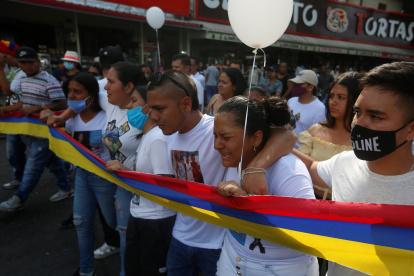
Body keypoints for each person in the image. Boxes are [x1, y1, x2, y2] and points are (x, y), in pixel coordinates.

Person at [250, 61, 414, 276]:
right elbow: (310, 166)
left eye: (375, 116)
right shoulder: (344, 163)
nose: (359, 123)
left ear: (411, 129)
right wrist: (266, 155)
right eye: (357, 112)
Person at [214, 96, 318, 275]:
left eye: (225, 137)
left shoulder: (289, 171)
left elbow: (312, 234)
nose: (216, 145)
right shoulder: (233, 159)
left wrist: (248, 204)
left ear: (256, 138)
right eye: (215, 136)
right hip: (231, 259)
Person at [146, 70, 227, 276]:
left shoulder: (217, 131)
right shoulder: (164, 135)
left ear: (185, 104)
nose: (154, 117)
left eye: (160, 109)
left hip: (217, 244)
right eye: (151, 109)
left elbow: (282, 137)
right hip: (180, 238)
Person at [107, 88, 176, 276]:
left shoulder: (158, 140)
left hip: (155, 221)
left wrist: (126, 172)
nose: (129, 106)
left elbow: (164, 184)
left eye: (134, 101)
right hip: (141, 214)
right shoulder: (147, 137)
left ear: (148, 108)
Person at [54, 72, 116, 276]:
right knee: (81, 223)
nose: (72, 96)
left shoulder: (107, 118)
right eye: (69, 91)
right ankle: (86, 270)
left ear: (91, 95)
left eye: (78, 92)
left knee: (115, 224)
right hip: (81, 177)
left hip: (105, 180)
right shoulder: (72, 121)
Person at [0, 47, 71, 211]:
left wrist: (39, 107)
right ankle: (66, 188)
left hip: (44, 132)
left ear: (38, 62)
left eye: (30, 62)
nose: (27, 66)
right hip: (29, 131)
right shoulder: (22, 79)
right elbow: (23, 103)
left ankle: (19, 198)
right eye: (22, 63)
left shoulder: (49, 80)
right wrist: (6, 110)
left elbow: (62, 103)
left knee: (33, 165)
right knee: (52, 162)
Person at [295, 72, 362, 199]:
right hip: (309, 200)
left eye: (341, 97)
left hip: (346, 206)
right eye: (331, 96)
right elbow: (299, 167)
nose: (333, 102)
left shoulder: (362, 140)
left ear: (355, 101)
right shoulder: (315, 131)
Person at [288, 69, 326, 135]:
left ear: (310, 87)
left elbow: (316, 135)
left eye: (299, 84)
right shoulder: (291, 101)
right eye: (295, 83)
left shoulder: (319, 109)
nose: (295, 86)